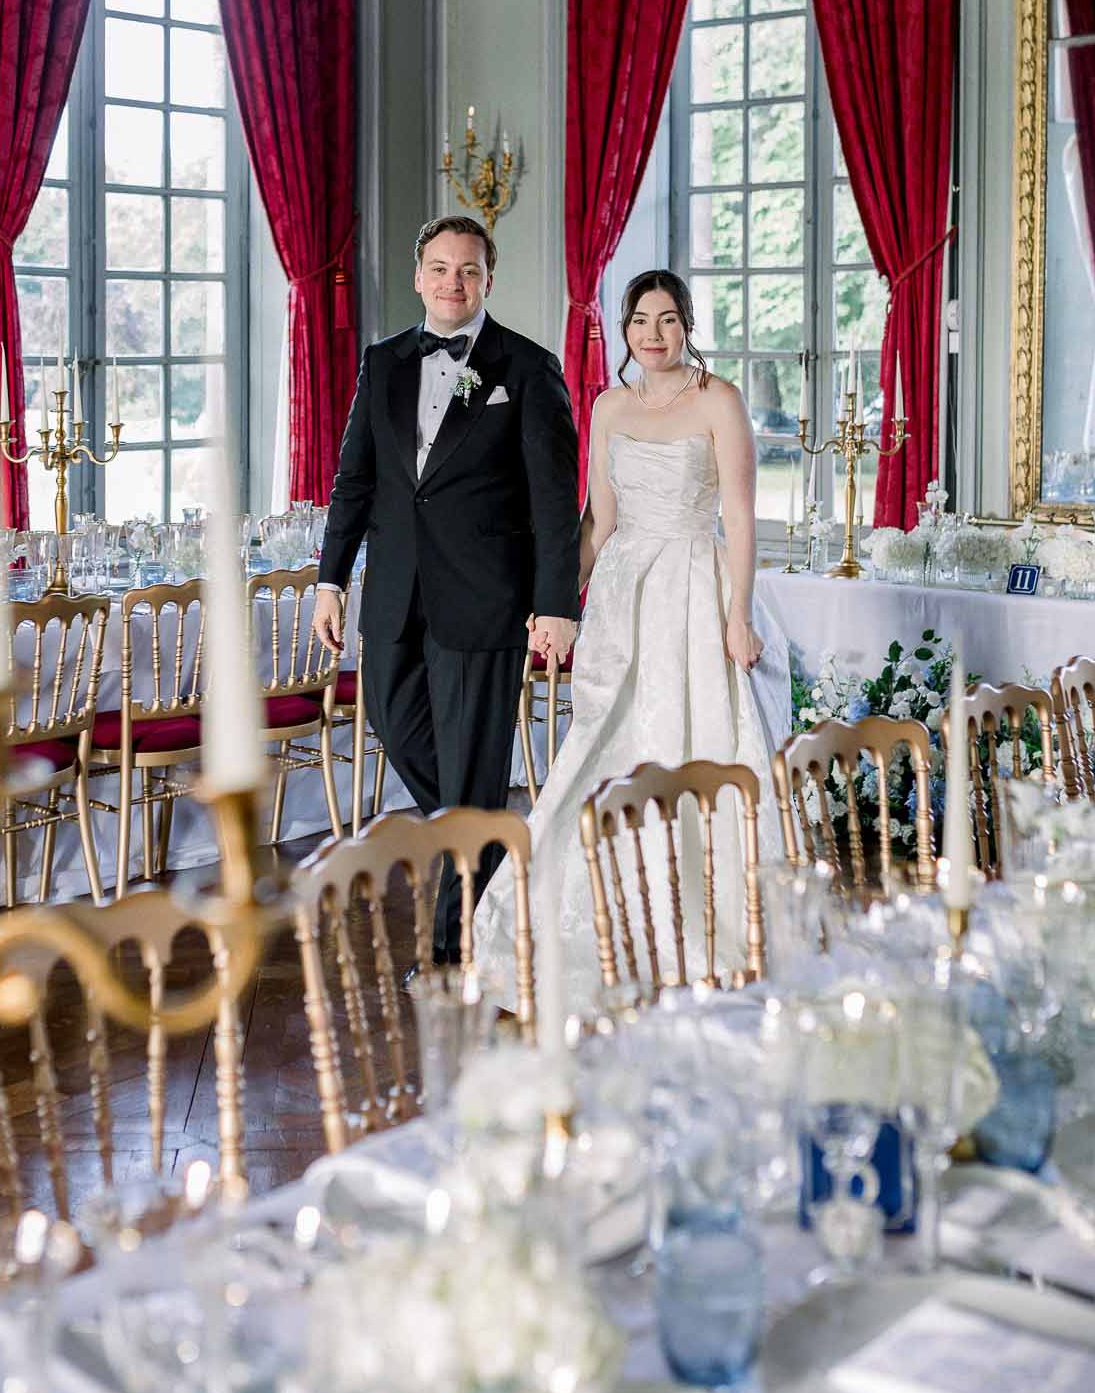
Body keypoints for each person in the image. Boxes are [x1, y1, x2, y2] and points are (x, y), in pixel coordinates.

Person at [471, 268, 789, 1009]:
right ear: (624, 329)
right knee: (602, 741)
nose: (654, 334)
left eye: (668, 319)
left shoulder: (719, 399)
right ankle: (585, 926)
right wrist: (555, 603)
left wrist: (737, 614)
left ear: (687, 326)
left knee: (691, 738)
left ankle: (701, 930)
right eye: (640, 321)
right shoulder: (609, 406)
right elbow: (597, 522)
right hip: (622, 591)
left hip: (691, 587)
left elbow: (739, 516)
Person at [314, 215, 581, 963]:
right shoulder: (382, 362)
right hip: (394, 596)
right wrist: (329, 579)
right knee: (398, 732)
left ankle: (454, 953)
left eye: (466, 270)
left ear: (487, 278)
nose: (452, 283)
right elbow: (354, 480)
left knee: (470, 768)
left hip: (486, 600)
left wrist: (556, 604)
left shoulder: (528, 368)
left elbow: (555, 500)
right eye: (438, 268)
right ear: (416, 276)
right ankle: (489, 836)